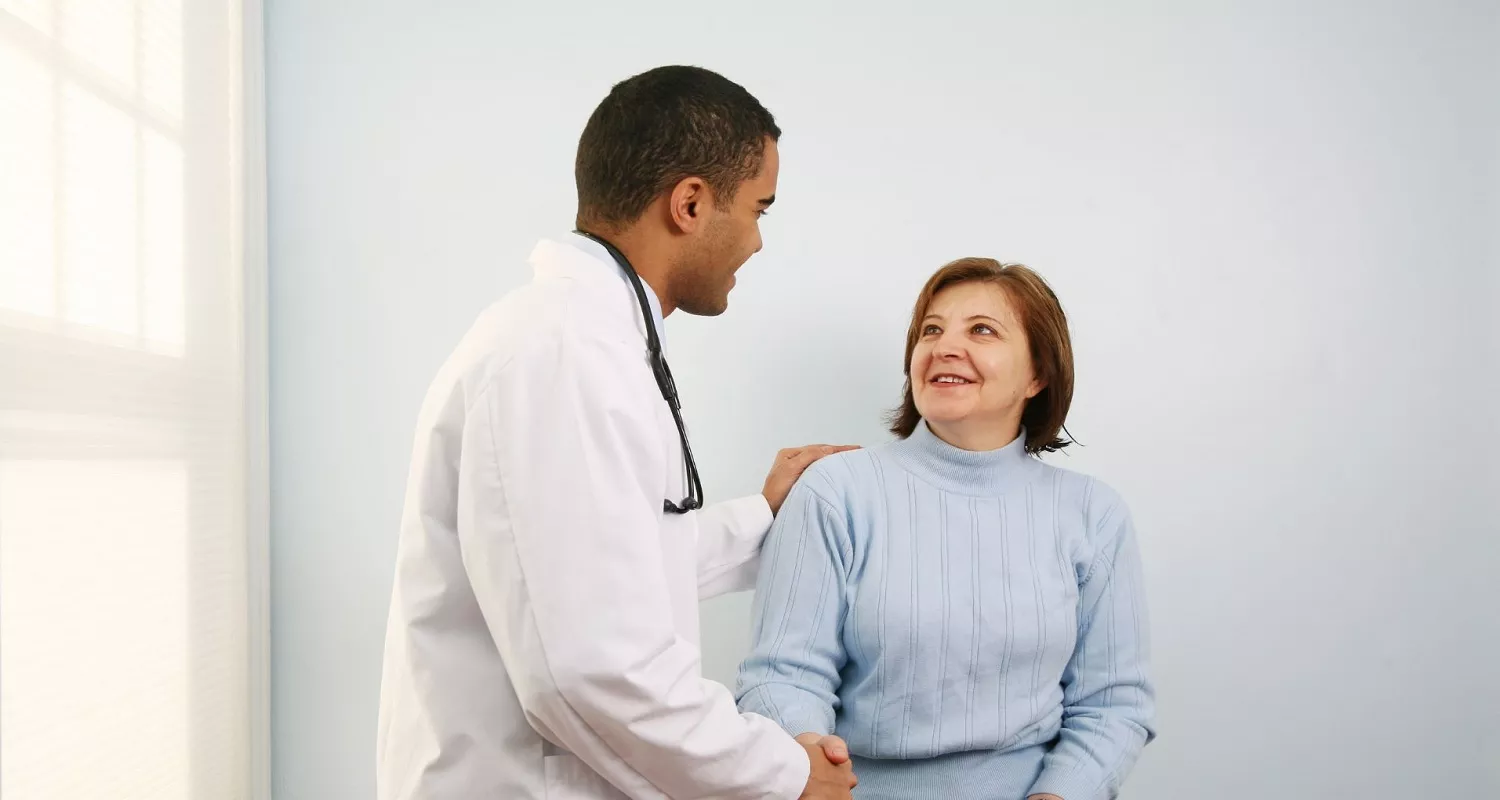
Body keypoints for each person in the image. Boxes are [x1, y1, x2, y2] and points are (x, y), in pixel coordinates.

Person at [376, 65, 860, 800]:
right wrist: (785, 774)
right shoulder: (563, 355)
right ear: (691, 204)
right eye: (760, 209)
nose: (759, 242)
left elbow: (611, 563)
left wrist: (767, 517)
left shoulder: (588, 341)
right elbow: (594, 669)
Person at [735, 258, 1156, 799]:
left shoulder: (1093, 514)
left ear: (1037, 374)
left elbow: (1114, 703)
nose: (943, 347)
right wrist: (814, 757)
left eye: (982, 330)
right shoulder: (834, 491)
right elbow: (780, 675)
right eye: (930, 330)